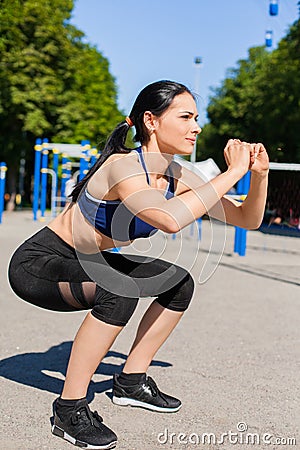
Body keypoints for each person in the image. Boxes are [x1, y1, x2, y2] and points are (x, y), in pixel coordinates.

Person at [8, 80, 269, 450]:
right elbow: (167, 219)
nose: (197, 126)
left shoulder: (179, 176)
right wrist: (231, 174)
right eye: (186, 116)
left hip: (90, 261)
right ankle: (69, 409)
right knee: (117, 288)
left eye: (197, 117)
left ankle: (130, 382)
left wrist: (259, 175)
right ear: (151, 120)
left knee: (178, 281)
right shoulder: (123, 167)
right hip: (40, 263)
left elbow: (247, 218)